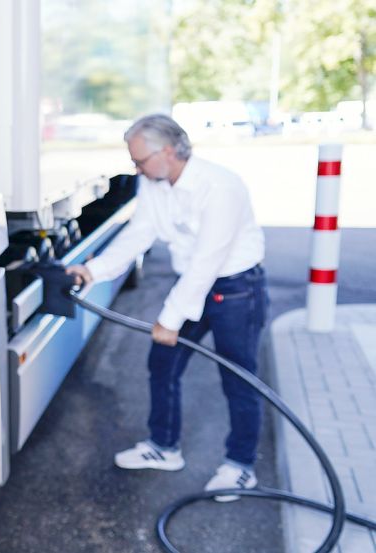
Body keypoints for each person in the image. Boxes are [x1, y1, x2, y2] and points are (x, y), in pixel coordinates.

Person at [66, 114, 268, 502]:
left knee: (238, 378)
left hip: (235, 288)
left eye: (139, 160)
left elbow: (208, 260)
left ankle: (241, 466)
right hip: (193, 284)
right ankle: (164, 447)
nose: (135, 168)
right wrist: (93, 270)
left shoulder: (219, 186)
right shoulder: (153, 184)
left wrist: (170, 319)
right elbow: (138, 234)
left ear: (170, 151)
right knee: (163, 363)